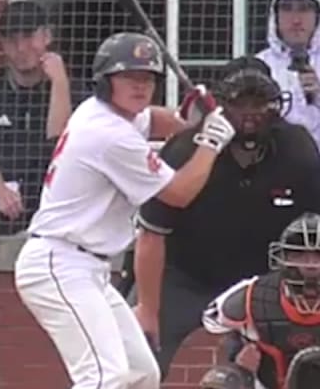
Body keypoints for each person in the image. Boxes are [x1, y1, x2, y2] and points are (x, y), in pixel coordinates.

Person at [13, 31, 236, 389]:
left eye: (147, 78)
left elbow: (154, 119)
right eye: (129, 77)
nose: (140, 86)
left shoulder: (108, 112)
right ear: (105, 81)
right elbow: (178, 194)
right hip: (59, 263)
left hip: (88, 267)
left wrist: (188, 120)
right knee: (104, 377)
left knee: (142, 374)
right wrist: (210, 140)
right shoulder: (109, 134)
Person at [130, 55, 320, 381]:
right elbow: (151, 234)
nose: (250, 115)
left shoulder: (297, 148)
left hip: (264, 281)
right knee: (134, 359)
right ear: (219, 107)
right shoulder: (184, 150)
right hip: (184, 276)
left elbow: (314, 233)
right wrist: (148, 310)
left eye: (259, 103)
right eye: (240, 103)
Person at [0, 0, 82, 235]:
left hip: (53, 200)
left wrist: (59, 83)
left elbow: (60, 145)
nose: (21, 48)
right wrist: (0, 193)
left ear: (46, 37)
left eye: (28, 37)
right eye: (11, 40)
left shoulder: (72, 90)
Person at [200, 212, 320, 389]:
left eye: (319, 255)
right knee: (222, 380)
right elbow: (211, 322)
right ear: (284, 258)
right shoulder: (251, 294)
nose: (310, 265)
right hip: (268, 384)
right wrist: (238, 356)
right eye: (299, 254)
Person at [256, 0, 320, 148]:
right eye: (287, 9)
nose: (296, 20)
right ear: (275, 16)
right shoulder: (260, 66)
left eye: (304, 9)